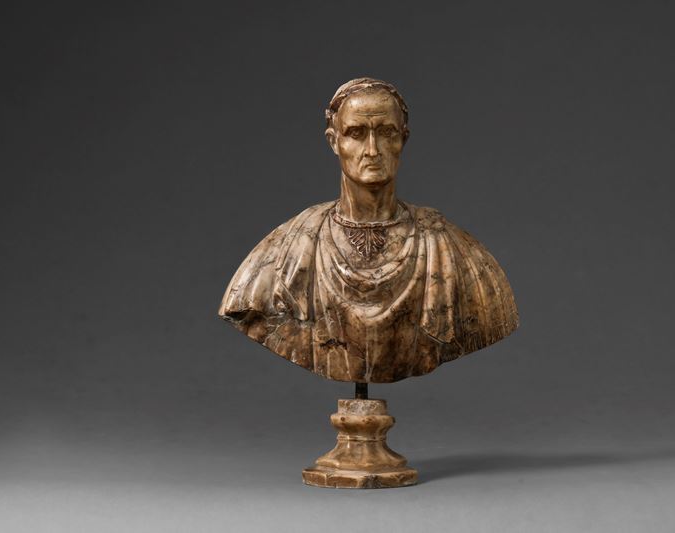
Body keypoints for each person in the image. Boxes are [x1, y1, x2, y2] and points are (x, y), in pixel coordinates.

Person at [219, 78, 518, 383]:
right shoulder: (286, 250)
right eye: (356, 134)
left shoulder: (451, 249)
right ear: (334, 141)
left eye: (386, 133)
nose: (372, 150)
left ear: (403, 139)